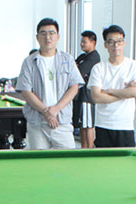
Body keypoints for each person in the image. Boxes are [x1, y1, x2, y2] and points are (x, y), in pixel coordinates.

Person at [15, 18, 83, 150]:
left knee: (67, 159)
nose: (48, 37)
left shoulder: (67, 59)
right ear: (37, 37)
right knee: (39, 160)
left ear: (58, 36)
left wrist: (56, 109)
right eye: (43, 33)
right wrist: (46, 112)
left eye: (51, 33)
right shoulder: (29, 62)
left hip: (62, 122)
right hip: (37, 124)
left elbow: (74, 87)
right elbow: (26, 91)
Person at [88, 24, 136, 148]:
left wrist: (110, 91)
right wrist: (125, 92)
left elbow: (135, 93)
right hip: (103, 125)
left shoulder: (133, 66)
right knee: (103, 161)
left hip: (125, 125)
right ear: (105, 45)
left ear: (124, 43)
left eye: (119, 41)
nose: (115, 45)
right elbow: (96, 97)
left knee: (127, 160)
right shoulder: (98, 68)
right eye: (111, 42)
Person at [74, 30, 100, 149]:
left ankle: (88, 149)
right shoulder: (83, 56)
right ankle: (83, 149)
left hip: (87, 97)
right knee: (82, 125)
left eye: (84, 42)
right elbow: (72, 68)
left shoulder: (94, 57)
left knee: (88, 125)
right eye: (81, 41)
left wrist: (76, 68)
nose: (82, 44)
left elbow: (78, 72)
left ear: (93, 42)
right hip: (79, 96)